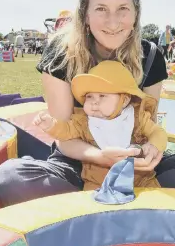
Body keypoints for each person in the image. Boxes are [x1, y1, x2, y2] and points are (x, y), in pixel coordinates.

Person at [0, 0, 175, 207]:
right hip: (79, 164)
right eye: (101, 9)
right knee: (10, 178)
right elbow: (64, 138)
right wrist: (100, 157)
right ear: (85, 14)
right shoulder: (60, 53)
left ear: (136, 13)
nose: (112, 21)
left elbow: (146, 126)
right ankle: (136, 202)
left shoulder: (150, 57)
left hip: (136, 166)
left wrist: (150, 150)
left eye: (122, 9)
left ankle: (94, 203)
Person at [33, 60, 167, 190]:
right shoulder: (84, 121)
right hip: (97, 182)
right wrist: (52, 125)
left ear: (125, 100)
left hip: (141, 179)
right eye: (89, 96)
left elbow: (157, 132)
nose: (94, 102)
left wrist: (153, 145)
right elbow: (66, 131)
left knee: (154, 201)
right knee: (93, 206)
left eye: (102, 96)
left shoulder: (138, 117)